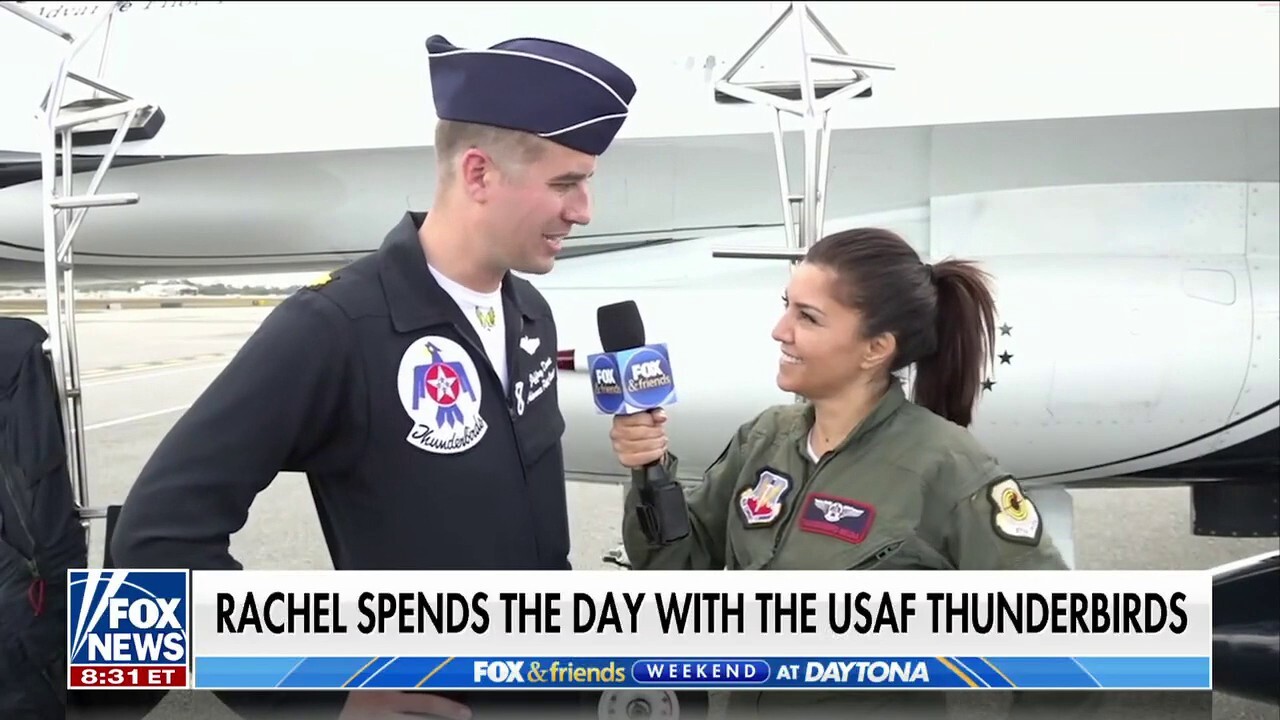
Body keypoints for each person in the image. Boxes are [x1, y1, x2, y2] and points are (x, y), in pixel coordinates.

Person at [109, 33, 636, 720]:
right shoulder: (335, 326)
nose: (583, 210)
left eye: (586, 182)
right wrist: (316, 691)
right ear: (477, 174)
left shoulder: (529, 313)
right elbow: (156, 539)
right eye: (566, 183)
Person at [611, 228, 1094, 719]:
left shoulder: (947, 468)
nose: (780, 330)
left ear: (875, 348)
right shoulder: (764, 439)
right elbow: (676, 571)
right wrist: (650, 475)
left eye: (808, 317)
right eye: (786, 305)